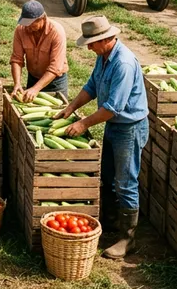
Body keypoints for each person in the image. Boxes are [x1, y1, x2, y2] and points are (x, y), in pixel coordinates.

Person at [57, 16, 148, 259]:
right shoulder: (104, 57)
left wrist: (83, 123)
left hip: (128, 128)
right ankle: (109, 222)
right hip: (113, 126)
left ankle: (128, 239)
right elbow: (92, 86)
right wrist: (71, 107)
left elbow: (112, 108)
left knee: (126, 181)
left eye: (92, 43)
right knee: (107, 175)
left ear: (107, 39)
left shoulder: (124, 64)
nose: (89, 47)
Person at [10, 0, 68, 103]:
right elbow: (16, 59)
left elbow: (55, 67)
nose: (28, 27)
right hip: (33, 78)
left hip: (55, 82)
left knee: (57, 110)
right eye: (25, 23)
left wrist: (36, 89)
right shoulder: (20, 30)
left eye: (31, 24)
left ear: (42, 19)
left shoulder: (56, 32)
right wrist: (17, 83)